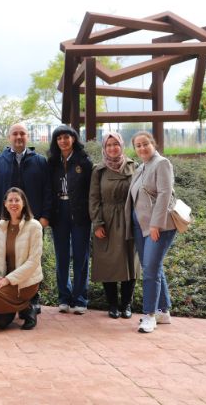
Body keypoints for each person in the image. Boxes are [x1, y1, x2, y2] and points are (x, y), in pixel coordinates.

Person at [0, 122, 52, 314]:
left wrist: (46, 216)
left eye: (22, 133)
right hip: (5, 223)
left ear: (27, 137)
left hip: (33, 223)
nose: (19, 137)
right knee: (8, 257)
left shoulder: (39, 161)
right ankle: (9, 295)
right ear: (9, 138)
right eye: (15, 134)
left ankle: (32, 299)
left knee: (32, 260)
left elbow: (48, 190)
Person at [125, 131, 178, 333]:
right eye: (138, 146)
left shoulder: (161, 163)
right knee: (153, 266)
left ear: (153, 144)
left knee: (150, 270)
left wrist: (156, 224)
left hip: (158, 226)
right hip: (141, 226)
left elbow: (165, 194)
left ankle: (149, 315)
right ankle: (164, 311)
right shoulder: (141, 167)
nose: (142, 148)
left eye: (145, 144)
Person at [0, 188, 43, 330]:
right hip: (5, 279)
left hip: (26, 282)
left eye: (17, 200)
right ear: (5, 204)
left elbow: (33, 262)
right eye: (10, 200)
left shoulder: (34, 226)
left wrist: (6, 280)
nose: (13, 203)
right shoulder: (1, 225)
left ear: (23, 203)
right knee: (1, 322)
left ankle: (26, 305)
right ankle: (22, 308)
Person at [89, 132, 139, 319]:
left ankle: (126, 304)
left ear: (122, 145)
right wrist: (98, 223)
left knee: (130, 262)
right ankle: (112, 305)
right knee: (107, 262)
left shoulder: (134, 167)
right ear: (104, 148)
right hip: (107, 220)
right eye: (108, 145)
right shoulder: (98, 170)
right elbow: (94, 199)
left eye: (115, 144)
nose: (112, 148)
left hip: (129, 219)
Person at [48, 125, 93, 315]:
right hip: (60, 211)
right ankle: (64, 297)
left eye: (66, 137)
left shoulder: (84, 161)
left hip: (80, 212)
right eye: (59, 138)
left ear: (73, 139)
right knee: (62, 255)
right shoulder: (52, 163)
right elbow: (48, 190)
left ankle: (80, 298)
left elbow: (92, 191)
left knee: (81, 256)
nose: (63, 141)